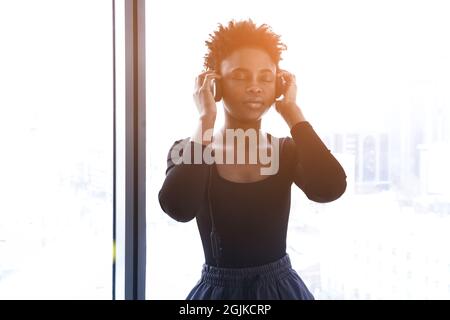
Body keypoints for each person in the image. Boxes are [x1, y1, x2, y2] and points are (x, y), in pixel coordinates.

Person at [158, 19, 347, 300]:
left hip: (282, 290)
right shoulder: (188, 150)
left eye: (266, 78)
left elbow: (330, 188)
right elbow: (178, 208)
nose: (255, 87)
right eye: (240, 76)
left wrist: (292, 112)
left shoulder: (286, 150)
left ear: (278, 85)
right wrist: (205, 121)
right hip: (218, 293)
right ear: (214, 85)